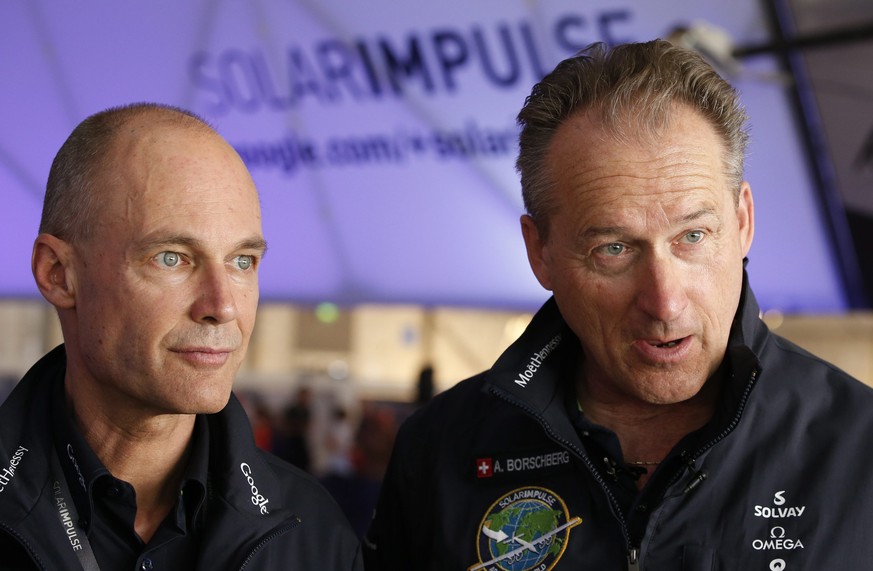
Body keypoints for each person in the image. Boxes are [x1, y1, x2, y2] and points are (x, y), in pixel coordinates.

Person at [363, 40, 873, 570]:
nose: (665, 300)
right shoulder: (440, 450)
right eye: (614, 249)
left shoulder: (861, 446)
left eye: (693, 236)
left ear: (742, 222)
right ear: (540, 252)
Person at [0, 103, 362, 570]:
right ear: (58, 274)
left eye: (242, 262)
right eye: (172, 258)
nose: (223, 306)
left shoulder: (313, 533)